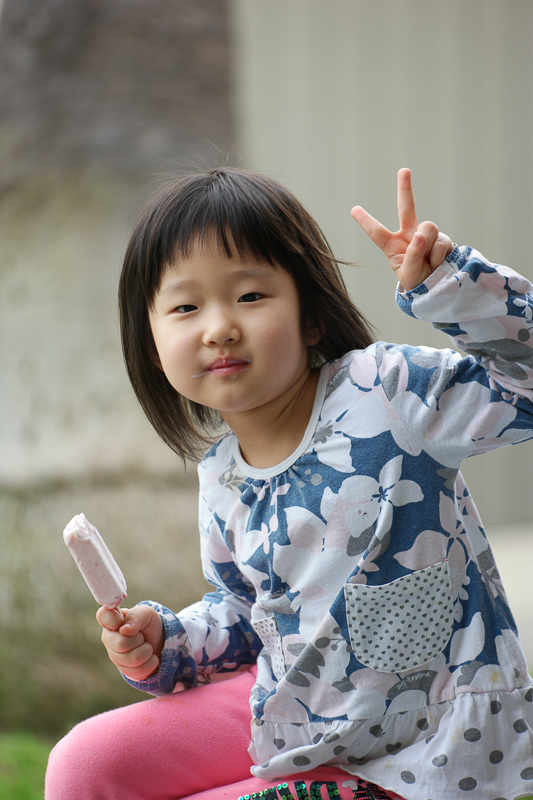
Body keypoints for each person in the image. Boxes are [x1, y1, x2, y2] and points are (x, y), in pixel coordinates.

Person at [46, 167, 533, 800]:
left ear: (311, 317)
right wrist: (169, 640)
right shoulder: (221, 474)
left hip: (415, 747)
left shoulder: (388, 391)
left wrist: (450, 287)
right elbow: (248, 614)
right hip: (290, 710)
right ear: (152, 343)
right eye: (186, 307)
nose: (219, 327)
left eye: (250, 296)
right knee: (83, 764)